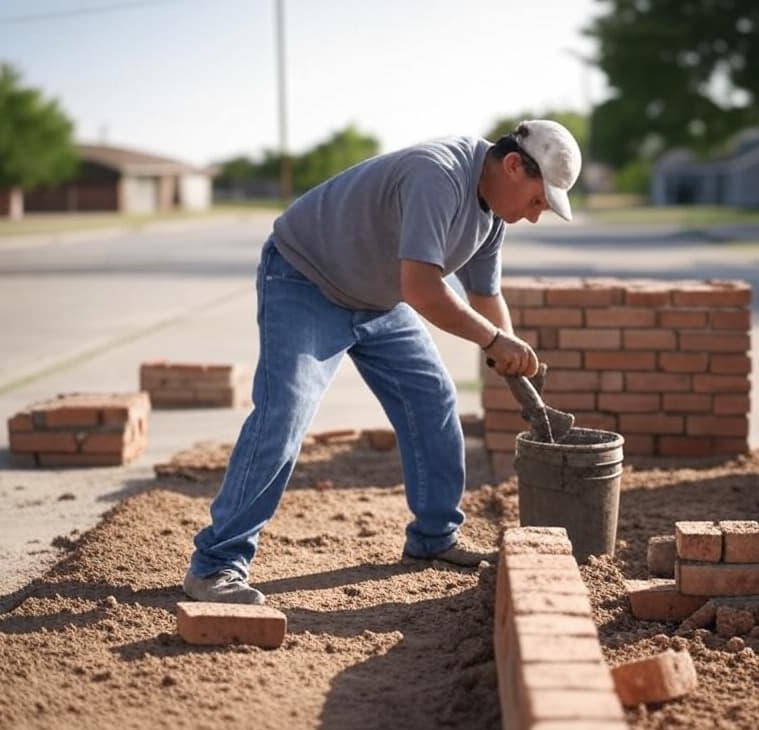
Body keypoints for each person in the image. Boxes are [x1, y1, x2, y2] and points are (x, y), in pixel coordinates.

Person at [182, 119, 582, 605]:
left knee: (431, 397)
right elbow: (422, 289)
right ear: (515, 165)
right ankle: (216, 565)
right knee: (283, 414)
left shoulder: (494, 213)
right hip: (306, 279)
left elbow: (484, 295)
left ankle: (434, 537)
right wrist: (496, 341)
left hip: (377, 300)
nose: (535, 216)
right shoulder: (437, 175)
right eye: (538, 201)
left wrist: (514, 358)